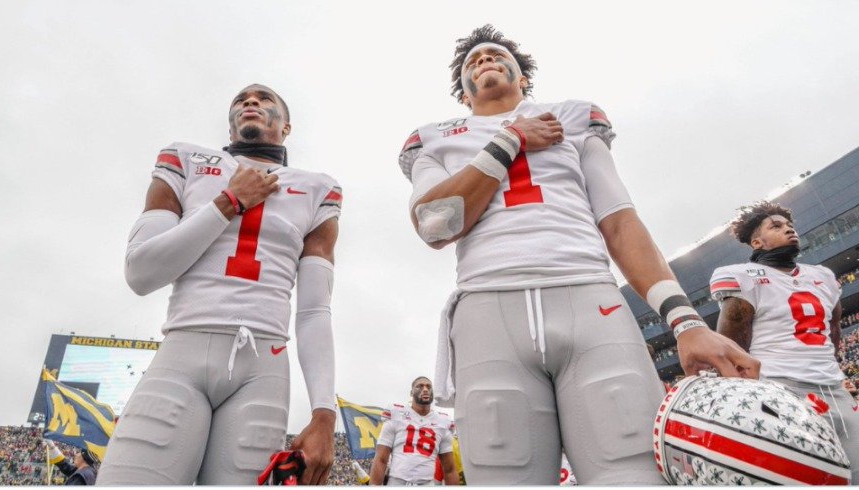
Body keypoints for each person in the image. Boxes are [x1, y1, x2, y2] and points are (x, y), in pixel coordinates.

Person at [397, 25, 760, 484]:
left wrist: (685, 321)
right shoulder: (435, 138)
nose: (484, 60)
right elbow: (435, 225)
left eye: (495, 54)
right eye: (472, 61)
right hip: (488, 310)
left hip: (590, 299)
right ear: (463, 94)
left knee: (633, 474)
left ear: (523, 77)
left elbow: (621, 222)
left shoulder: (573, 117)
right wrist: (510, 141)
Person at [97, 84, 342, 485]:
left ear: (287, 126)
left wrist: (324, 413)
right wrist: (229, 201)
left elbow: (315, 310)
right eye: (242, 100)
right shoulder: (186, 159)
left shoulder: (318, 187)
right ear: (230, 124)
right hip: (183, 347)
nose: (251, 102)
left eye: (265, 99)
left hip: (263, 362)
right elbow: (141, 272)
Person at [710, 201, 859, 481]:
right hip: (780, 389)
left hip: (833, 387)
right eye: (776, 226)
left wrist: (833, 368)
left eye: (789, 225)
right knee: (806, 477)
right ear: (757, 241)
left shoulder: (823, 276)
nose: (788, 229)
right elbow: (732, 344)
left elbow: (834, 328)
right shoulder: (742, 276)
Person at [369, 377, 459, 485]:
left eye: (428, 386)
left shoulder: (443, 422)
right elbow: (381, 459)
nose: (425, 389)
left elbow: (449, 469)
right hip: (397, 482)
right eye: (420, 386)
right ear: (411, 393)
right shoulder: (396, 413)